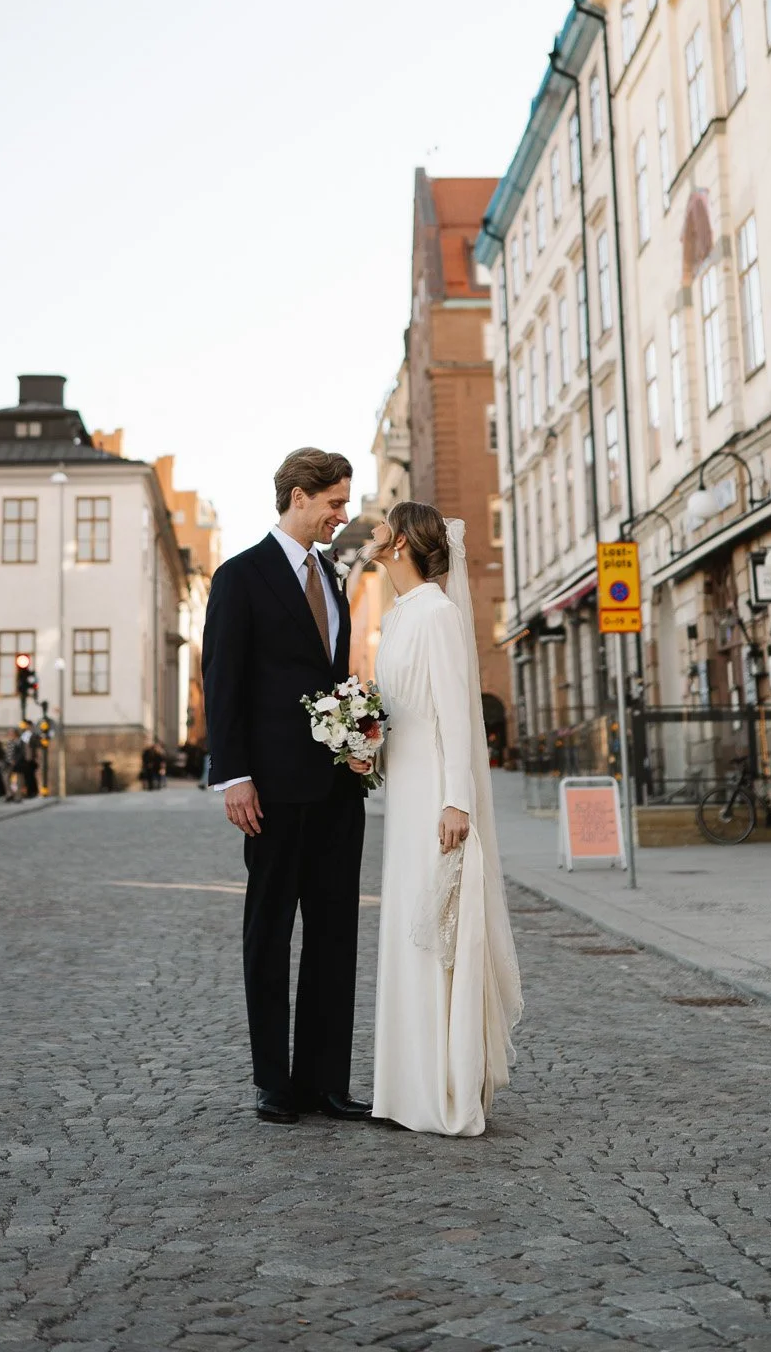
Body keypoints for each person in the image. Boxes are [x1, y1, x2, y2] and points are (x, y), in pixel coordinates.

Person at [202, 446, 367, 1127]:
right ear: (298, 497)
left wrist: (362, 730)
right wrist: (233, 775)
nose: (342, 515)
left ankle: (324, 1082)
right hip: (268, 789)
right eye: (334, 503)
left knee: (334, 937)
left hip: (335, 790)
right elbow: (223, 680)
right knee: (269, 935)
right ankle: (275, 1082)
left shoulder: (331, 575)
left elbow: (329, 677)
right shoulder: (240, 576)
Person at [360, 502, 522, 1137]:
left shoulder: (436, 613)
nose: (370, 534)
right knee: (405, 927)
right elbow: (401, 708)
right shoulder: (399, 616)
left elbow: (457, 711)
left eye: (378, 527)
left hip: (434, 794)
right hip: (402, 792)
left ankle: (440, 1088)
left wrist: (458, 798)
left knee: (436, 931)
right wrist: (364, 745)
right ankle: (403, 1089)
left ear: (398, 541)